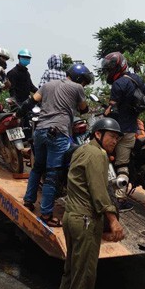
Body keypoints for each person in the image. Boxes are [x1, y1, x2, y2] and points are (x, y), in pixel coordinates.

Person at [45, 117, 125, 289]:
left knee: (71, 273)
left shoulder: (81, 150)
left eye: (117, 138)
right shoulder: (97, 154)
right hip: (86, 219)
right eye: (111, 136)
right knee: (84, 277)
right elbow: (99, 192)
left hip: (73, 218)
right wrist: (113, 220)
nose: (115, 141)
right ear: (98, 134)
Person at [21, 63, 94, 226]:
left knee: (38, 167)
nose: (83, 85)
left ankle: (28, 200)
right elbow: (83, 109)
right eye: (84, 81)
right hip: (59, 131)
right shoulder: (77, 88)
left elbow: (31, 101)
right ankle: (46, 214)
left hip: (40, 130)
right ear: (79, 78)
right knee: (52, 174)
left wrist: (18, 114)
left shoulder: (47, 85)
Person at [102, 51, 145, 211]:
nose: (109, 71)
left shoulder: (118, 85)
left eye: (110, 68)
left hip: (117, 130)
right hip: (132, 128)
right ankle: (120, 197)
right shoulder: (136, 79)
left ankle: (115, 198)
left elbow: (114, 110)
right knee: (123, 163)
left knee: (110, 161)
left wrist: (107, 112)